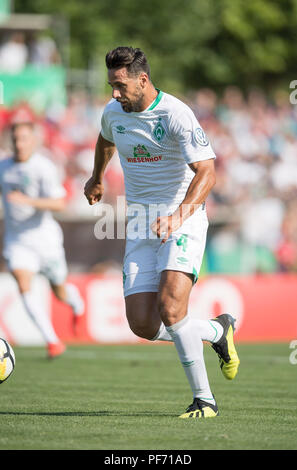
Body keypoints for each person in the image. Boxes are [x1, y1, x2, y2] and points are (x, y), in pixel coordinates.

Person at [84, 47, 240, 418]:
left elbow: (207, 172)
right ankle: (217, 332)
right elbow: (106, 138)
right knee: (142, 324)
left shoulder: (175, 113)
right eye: (110, 86)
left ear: (143, 79)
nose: (114, 94)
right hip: (140, 224)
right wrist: (97, 176)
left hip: (182, 218)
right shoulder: (113, 113)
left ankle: (204, 400)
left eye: (120, 86)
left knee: (171, 308)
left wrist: (177, 217)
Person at [0, 122, 84, 358]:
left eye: (24, 138)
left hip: (45, 239)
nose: (19, 144)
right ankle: (52, 341)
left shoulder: (43, 167)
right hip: (17, 240)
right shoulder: (3, 167)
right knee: (22, 282)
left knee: (59, 291)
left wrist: (26, 201)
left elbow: (59, 203)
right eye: (15, 139)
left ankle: (75, 302)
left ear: (33, 140)